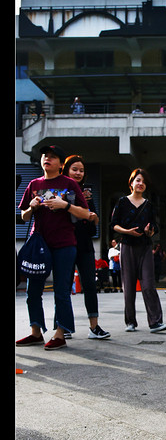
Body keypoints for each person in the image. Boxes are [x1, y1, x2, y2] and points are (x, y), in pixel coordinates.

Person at [16, 144, 90, 350]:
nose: (46, 159)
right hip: (38, 245)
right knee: (33, 292)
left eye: (52, 157)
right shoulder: (33, 184)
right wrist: (31, 207)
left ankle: (60, 333)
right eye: (45, 156)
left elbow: (85, 213)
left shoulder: (69, 183)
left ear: (60, 164)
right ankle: (35, 331)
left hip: (64, 244)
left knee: (61, 291)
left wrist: (64, 205)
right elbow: (23, 216)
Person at [110, 168, 166, 333]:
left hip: (145, 247)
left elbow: (155, 225)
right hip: (127, 246)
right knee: (128, 286)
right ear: (131, 183)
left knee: (149, 285)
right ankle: (130, 322)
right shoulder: (122, 202)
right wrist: (126, 232)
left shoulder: (149, 205)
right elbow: (113, 224)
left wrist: (151, 231)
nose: (140, 183)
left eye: (143, 181)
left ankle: (156, 322)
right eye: (137, 180)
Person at [61, 155, 110, 339]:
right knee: (63, 286)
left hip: (84, 245)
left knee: (90, 284)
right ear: (66, 170)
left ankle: (94, 327)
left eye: (81, 170)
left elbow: (91, 224)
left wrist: (94, 219)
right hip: (64, 243)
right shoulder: (60, 191)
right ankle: (62, 326)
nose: (78, 173)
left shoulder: (87, 193)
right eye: (75, 169)